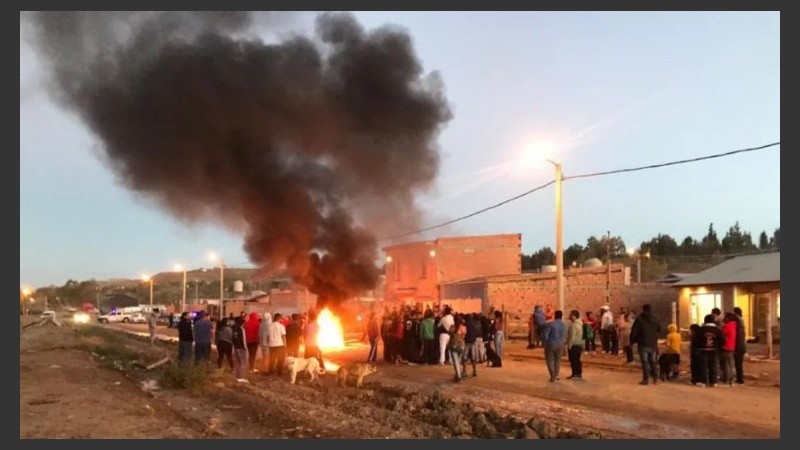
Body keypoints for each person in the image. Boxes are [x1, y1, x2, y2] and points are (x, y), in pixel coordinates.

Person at [629, 304, 662, 385]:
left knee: (645, 362)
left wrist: (632, 341)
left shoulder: (640, 318)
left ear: (643, 309)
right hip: (653, 344)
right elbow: (660, 329)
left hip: (643, 343)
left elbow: (634, 331)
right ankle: (655, 379)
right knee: (653, 361)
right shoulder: (656, 318)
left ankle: (646, 379)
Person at [698, 314, 724, 387]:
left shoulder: (701, 329)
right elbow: (722, 340)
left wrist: (698, 347)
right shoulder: (718, 330)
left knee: (704, 365)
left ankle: (704, 381)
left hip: (703, 350)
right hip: (714, 350)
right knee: (714, 365)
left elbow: (696, 340)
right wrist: (719, 347)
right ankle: (714, 382)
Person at [543, 310, 567, 382]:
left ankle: (552, 375)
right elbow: (566, 335)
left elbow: (546, 335)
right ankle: (556, 375)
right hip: (561, 344)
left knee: (550, 360)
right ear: (561, 316)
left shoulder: (550, 324)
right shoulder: (565, 325)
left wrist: (545, 343)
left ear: (555, 316)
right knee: (558, 360)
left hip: (551, 344)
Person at [447, 315, 467, 382]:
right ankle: (457, 375)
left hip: (454, 345)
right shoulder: (463, 327)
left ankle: (458, 376)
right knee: (458, 361)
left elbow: (449, 333)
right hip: (461, 346)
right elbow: (464, 336)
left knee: (456, 362)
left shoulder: (452, 327)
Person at [566, 310, 584, 381]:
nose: (569, 316)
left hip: (574, 345)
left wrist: (569, 346)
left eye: (571, 315)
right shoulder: (580, 324)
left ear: (574, 316)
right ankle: (578, 374)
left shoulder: (574, 325)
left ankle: (575, 374)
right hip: (579, 345)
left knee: (573, 361)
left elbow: (572, 337)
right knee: (577, 360)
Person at [720, 312, 737, 386]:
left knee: (726, 365)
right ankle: (731, 380)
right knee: (731, 364)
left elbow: (721, 335)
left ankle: (727, 380)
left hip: (726, 347)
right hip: (732, 347)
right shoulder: (734, 326)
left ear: (727, 318)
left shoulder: (726, 327)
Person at [231, 316, 249, 382]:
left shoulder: (233, 328)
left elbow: (233, 339)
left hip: (236, 347)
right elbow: (243, 340)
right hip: (241, 348)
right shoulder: (241, 329)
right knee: (243, 362)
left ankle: (237, 377)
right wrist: (245, 348)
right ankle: (241, 377)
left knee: (238, 362)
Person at [733, 307, 747, 385]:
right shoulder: (741, 322)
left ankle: (740, 379)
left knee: (738, 364)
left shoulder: (738, 323)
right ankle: (739, 378)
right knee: (739, 364)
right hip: (741, 347)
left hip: (739, 347)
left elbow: (739, 338)